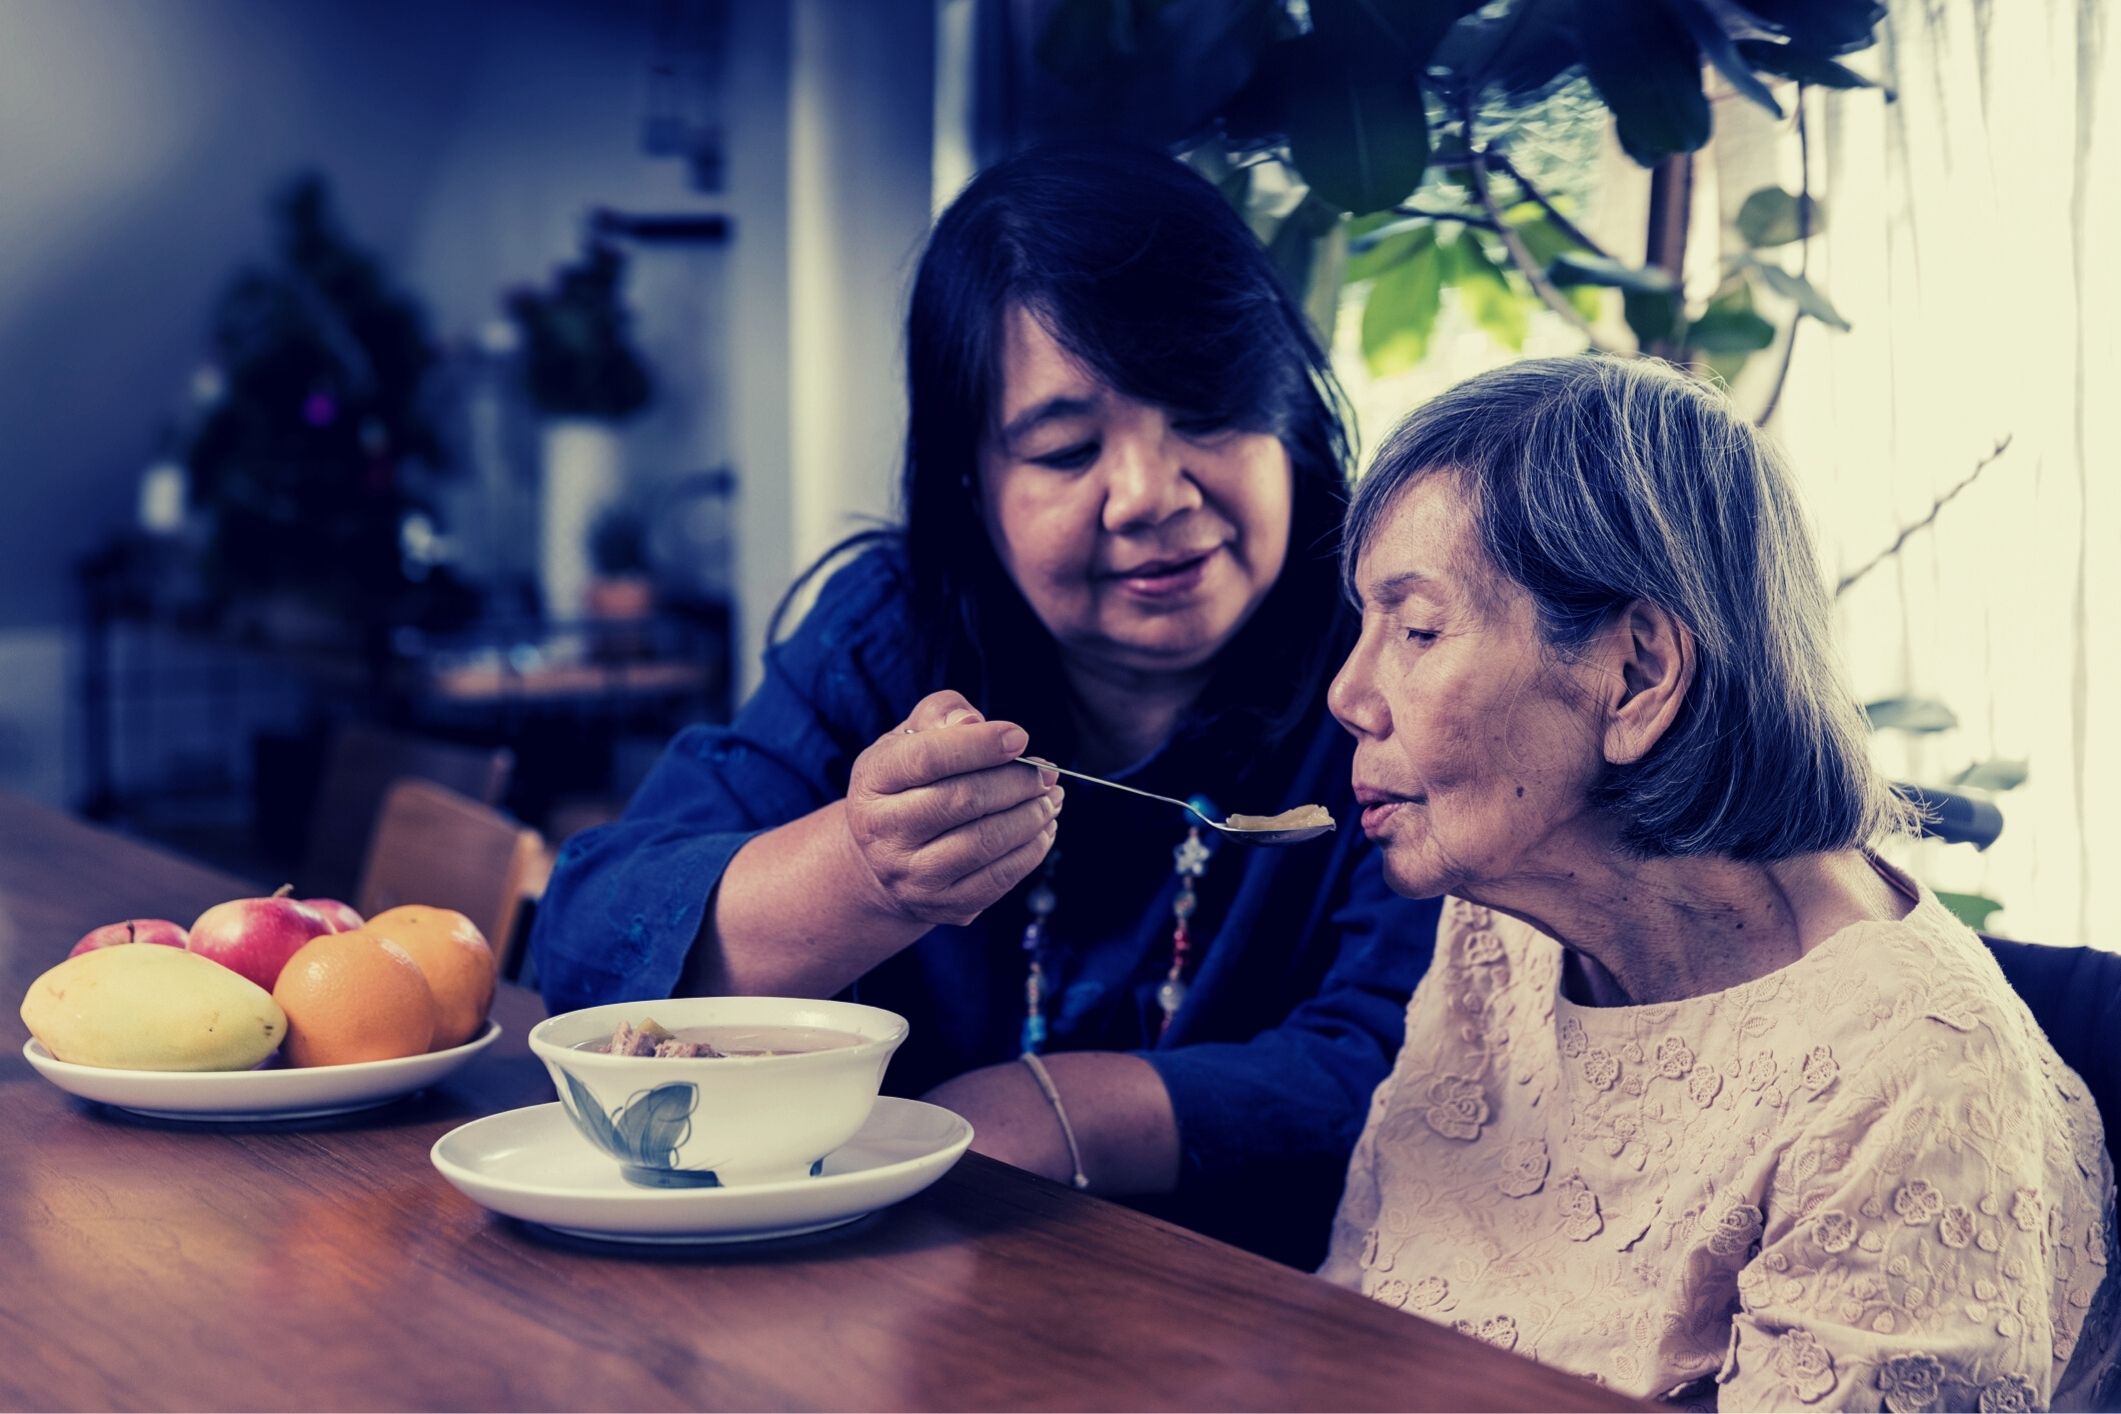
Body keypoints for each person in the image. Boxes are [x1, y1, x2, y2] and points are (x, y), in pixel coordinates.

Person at [529, 141, 1440, 1266]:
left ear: (1290, 415)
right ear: (972, 484)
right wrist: (862, 871)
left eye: (1206, 412)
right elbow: (585, 947)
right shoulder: (888, 638)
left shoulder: (1396, 664)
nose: (1152, 495)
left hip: (1266, 1325)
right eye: (1065, 450)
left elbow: (1411, 1062)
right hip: (883, 1295)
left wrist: (1043, 1114)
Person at [1318, 356, 2117, 1409]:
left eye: (1417, 630)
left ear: (1638, 675)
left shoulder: (1911, 1082)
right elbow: (1351, 1323)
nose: (1348, 692)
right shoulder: (1501, 935)